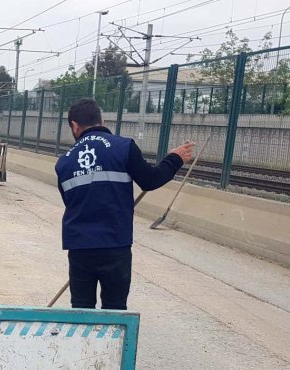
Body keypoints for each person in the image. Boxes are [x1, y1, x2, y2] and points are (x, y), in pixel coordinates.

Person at [55, 98, 195, 310]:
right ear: (101, 120)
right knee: (114, 308)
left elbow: (71, 202)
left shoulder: (64, 161)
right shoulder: (124, 147)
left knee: (81, 309)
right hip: (115, 244)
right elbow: (151, 180)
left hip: (80, 246)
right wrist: (174, 159)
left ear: (74, 125)